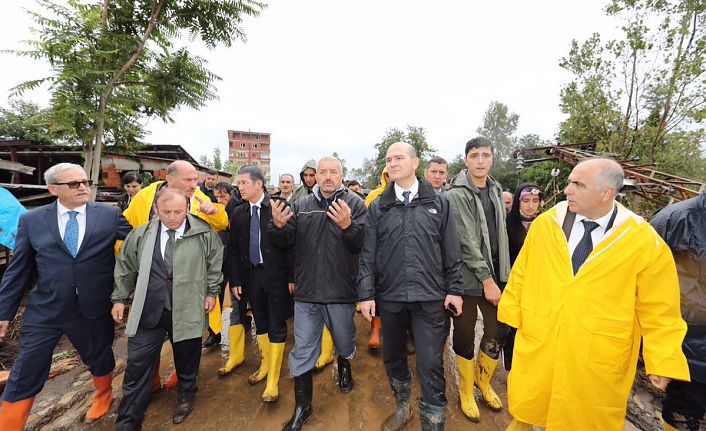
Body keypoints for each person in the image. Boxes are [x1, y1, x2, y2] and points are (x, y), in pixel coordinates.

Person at [499, 158, 690, 431]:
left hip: (597, 355)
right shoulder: (546, 225)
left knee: (584, 418)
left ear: (606, 193)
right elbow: (522, 273)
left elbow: (660, 306)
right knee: (535, 407)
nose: (567, 190)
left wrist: (662, 359)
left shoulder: (641, 240)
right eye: (569, 182)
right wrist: (510, 316)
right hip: (543, 341)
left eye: (578, 184)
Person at [0, 163, 132, 430]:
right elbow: (18, 271)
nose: (83, 187)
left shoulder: (109, 215)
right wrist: (3, 314)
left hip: (93, 306)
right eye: (74, 184)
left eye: (84, 182)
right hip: (46, 309)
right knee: (27, 366)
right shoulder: (32, 221)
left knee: (98, 355)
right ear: (53, 189)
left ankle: (103, 394)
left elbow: (139, 245)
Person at [359, 142, 464, 431]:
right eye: (389, 159)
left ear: (415, 163)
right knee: (393, 357)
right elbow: (368, 254)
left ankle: (433, 422)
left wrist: (454, 289)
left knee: (430, 363)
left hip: (429, 298)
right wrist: (366, 294)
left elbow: (451, 250)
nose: (392, 163)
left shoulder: (438, 203)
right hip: (391, 298)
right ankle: (403, 408)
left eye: (399, 158)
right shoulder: (379, 205)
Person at [112, 188, 223, 429]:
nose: (173, 217)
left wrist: (212, 292)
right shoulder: (140, 235)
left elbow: (215, 263)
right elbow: (125, 268)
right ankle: (129, 419)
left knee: (187, 359)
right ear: (155, 210)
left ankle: (185, 396)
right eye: (166, 212)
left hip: (188, 307)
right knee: (138, 364)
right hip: (149, 309)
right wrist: (119, 298)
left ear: (188, 209)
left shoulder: (203, 233)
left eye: (178, 212)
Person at [270, 156, 367, 431]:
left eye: (332, 172)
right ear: (314, 176)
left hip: (340, 290)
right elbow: (286, 242)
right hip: (307, 293)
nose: (326, 176)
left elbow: (362, 244)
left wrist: (348, 226)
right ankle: (303, 407)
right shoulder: (301, 205)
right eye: (322, 172)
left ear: (341, 175)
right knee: (302, 350)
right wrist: (277, 228)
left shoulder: (355, 204)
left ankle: (344, 363)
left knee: (345, 341)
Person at [122, 160, 228, 386]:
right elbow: (126, 225)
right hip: (152, 286)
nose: (193, 184)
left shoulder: (201, 199)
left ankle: (183, 379)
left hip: (188, 287)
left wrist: (213, 211)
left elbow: (222, 224)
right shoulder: (144, 196)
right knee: (146, 345)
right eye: (188, 179)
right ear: (170, 179)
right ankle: (149, 383)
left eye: (195, 179)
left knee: (186, 340)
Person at [445, 137, 511, 423]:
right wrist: (486, 279)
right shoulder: (455, 194)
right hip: (469, 277)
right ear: (466, 160)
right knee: (464, 332)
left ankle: (483, 381)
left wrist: (500, 275)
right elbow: (466, 241)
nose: (481, 160)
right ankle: (466, 390)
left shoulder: (495, 189)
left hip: (498, 274)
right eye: (475, 156)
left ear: (492, 158)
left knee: (500, 329)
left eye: (486, 155)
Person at [222, 166, 293, 403]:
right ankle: (265, 366)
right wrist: (235, 281)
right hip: (250, 278)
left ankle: (273, 380)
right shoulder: (239, 212)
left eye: (243, 182)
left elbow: (291, 244)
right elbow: (232, 250)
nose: (239, 187)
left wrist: (292, 277)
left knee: (276, 323)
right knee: (260, 323)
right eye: (238, 183)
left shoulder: (278, 207)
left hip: (276, 278)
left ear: (259, 185)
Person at [650, 191, 706, 431]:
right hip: (689, 352)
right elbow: (641, 287)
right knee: (684, 419)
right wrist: (658, 357)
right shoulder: (674, 219)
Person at [288, 159, 337, 369]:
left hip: (334, 274)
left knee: (337, 326)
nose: (309, 179)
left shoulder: (346, 200)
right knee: (306, 335)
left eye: (312, 174)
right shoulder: (298, 199)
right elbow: (291, 242)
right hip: (307, 273)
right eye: (307, 175)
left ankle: (331, 355)